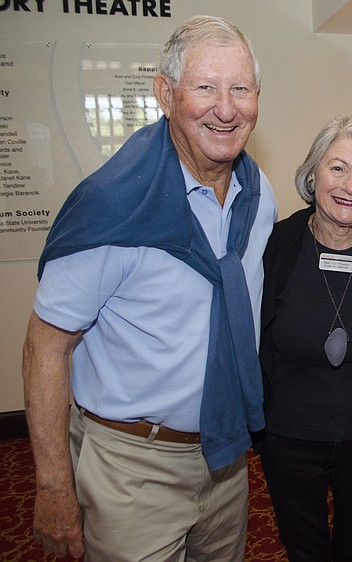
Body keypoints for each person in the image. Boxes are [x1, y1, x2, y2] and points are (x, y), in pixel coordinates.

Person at [21, 15, 277, 561]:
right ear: (165, 93)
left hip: (226, 459)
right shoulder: (111, 206)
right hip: (132, 467)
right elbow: (45, 347)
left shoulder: (259, 194)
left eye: (240, 89)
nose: (226, 108)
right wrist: (52, 486)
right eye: (205, 87)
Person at [258, 116, 352, 562]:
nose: (351, 186)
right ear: (312, 174)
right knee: (303, 550)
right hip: (287, 439)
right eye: (338, 168)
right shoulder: (276, 246)